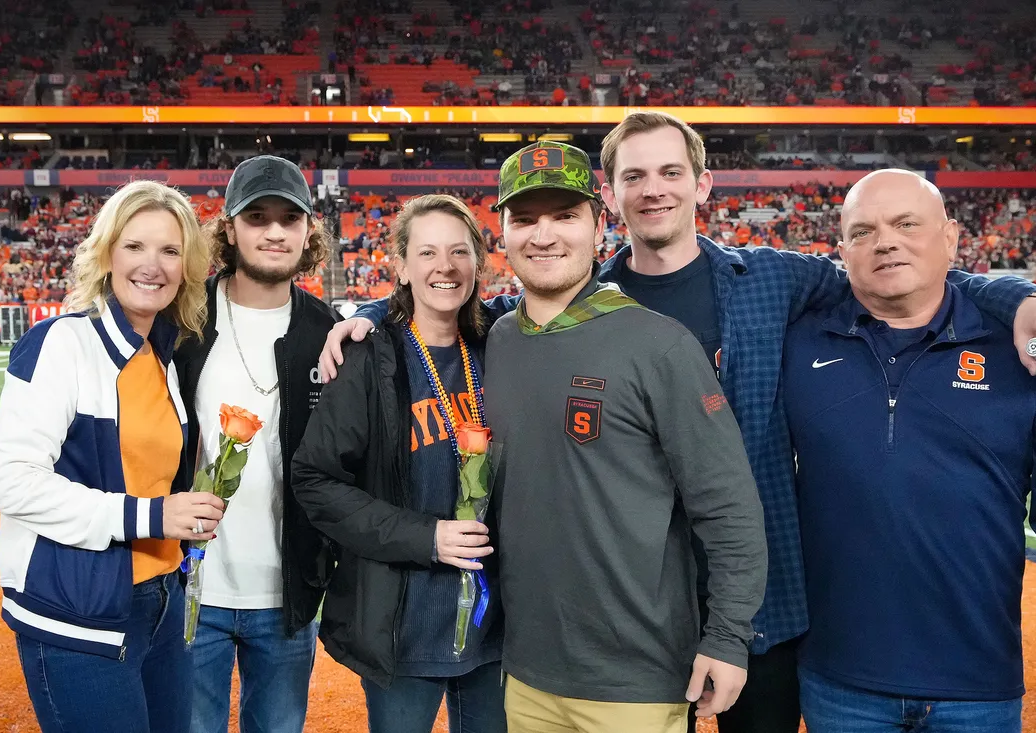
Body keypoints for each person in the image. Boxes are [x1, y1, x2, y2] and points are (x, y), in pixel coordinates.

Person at [320, 113, 1036, 733]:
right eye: (634, 177)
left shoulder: (774, 278)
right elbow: (453, 315)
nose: (654, 191)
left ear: (702, 182)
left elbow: (900, 263)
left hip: (758, 607)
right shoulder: (558, 305)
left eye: (670, 172)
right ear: (610, 200)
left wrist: (1025, 297)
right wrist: (366, 324)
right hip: (625, 616)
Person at [782, 169, 1036, 733]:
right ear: (841, 251)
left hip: (978, 686)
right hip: (838, 681)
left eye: (905, 224)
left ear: (951, 238)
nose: (885, 241)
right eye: (863, 231)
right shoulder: (798, 344)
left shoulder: (1027, 352)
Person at [485, 142, 767, 731]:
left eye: (564, 215)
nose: (543, 235)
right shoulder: (499, 338)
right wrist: (372, 315)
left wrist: (727, 635)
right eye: (524, 218)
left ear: (598, 223)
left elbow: (730, 508)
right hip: (526, 671)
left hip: (637, 681)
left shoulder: (660, 345)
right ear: (503, 233)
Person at [0, 180, 221, 733]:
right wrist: (152, 514)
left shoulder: (162, 354)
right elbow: (16, 484)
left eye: (170, 251)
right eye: (135, 246)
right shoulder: (60, 344)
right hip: (80, 616)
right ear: (107, 254)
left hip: (162, 603)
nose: (153, 265)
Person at [291, 194, 507, 733]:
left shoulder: (500, 343)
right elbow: (314, 481)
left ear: (479, 264)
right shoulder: (368, 356)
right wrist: (426, 537)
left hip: (495, 625)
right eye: (427, 252)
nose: (445, 266)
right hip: (403, 627)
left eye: (460, 252)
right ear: (402, 267)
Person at [174, 155, 339, 733]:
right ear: (229, 228)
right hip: (192, 584)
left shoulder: (328, 329)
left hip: (287, 593)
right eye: (257, 216)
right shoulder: (185, 318)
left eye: (289, 218)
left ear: (307, 232)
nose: (274, 231)